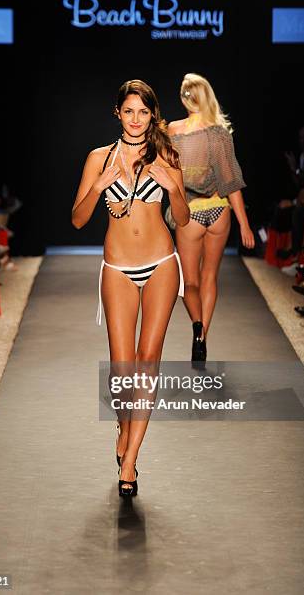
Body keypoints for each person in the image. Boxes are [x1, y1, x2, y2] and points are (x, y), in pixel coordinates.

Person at [71, 79, 189, 497]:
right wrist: (101, 186)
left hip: (161, 263)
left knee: (148, 360)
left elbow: (184, 218)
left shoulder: (167, 155)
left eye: (143, 112)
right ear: (117, 113)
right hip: (117, 267)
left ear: (152, 115)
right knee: (122, 370)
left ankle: (131, 461)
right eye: (128, 111)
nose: (136, 119)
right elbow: (79, 220)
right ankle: (124, 432)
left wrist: (174, 186)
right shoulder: (98, 159)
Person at [166, 73, 255, 363]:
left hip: (189, 214)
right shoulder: (219, 133)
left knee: (188, 282)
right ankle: (204, 335)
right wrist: (245, 225)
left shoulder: (173, 131)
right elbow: (231, 183)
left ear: (183, 98)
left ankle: (196, 327)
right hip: (219, 212)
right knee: (209, 278)